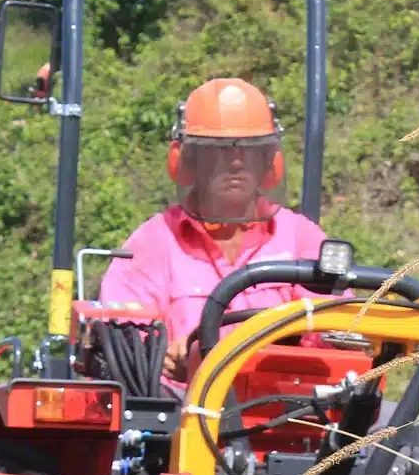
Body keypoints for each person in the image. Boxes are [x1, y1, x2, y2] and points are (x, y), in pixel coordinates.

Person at [99, 77, 338, 389]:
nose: (236, 162)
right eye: (219, 151)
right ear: (188, 163)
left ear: (270, 161)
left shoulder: (300, 238)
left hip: (284, 414)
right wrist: (161, 356)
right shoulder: (152, 244)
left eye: (250, 151)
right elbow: (121, 345)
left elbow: (338, 333)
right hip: (180, 421)